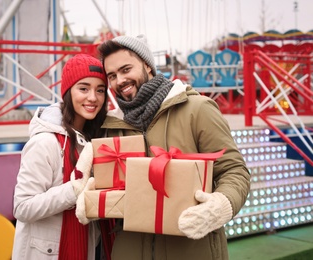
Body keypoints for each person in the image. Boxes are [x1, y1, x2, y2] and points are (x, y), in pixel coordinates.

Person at [96, 35, 250, 259]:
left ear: (147, 65)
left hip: (192, 249)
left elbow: (234, 170)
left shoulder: (197, 109)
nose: (119, 80)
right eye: (112, 75)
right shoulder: (111, 125)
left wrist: (219, 206)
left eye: (126, 69)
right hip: (129, 250)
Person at [12, 54, 109, 260]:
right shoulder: (45, 142)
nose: (93, 97)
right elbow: (22, 207)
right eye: (83, 88)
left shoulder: (95, 140)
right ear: (67, 92)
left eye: (100, 90)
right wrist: (74, 190)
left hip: (87, 247)